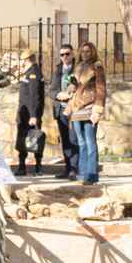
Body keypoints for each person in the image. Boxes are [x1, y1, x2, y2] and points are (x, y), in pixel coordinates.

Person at [66, 41, 106, 186]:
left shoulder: (97, 67)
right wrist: (70, 88)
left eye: (88, 51)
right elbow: (76, 88)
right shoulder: (78, 67)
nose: (85, 54)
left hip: (90, 108)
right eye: (83, 51)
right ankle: (82, 175)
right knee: (81, 143)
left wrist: (98, 109)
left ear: (93, 52)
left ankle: (91, 174)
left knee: (90, 142)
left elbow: (101, 89)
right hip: (77, 109)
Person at [51, 44, 80, 180]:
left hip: (74, 109)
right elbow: (51, 90)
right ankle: (67, 168)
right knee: (65, 140)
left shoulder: (78, 68)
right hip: (60, 109)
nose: (64, 57)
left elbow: (82, 87)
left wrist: (70, 95)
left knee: (73, 138)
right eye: (62, 54)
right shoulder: (58, 69)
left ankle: (74, 169)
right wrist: (59, 95)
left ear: (72, 54)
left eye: (67, 54)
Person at [14, 51, 45, 176]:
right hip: (24, 113)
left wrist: (33, 115)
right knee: (22, 140)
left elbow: (34, 96)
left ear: (26, 60)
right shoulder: (28, 72)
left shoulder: (33, 73)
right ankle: (22, 166)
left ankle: (38, 167)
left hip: (30, 114)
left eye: (21, 60)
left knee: (35, 138)